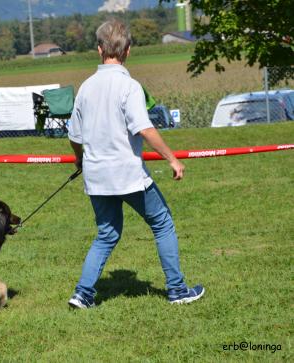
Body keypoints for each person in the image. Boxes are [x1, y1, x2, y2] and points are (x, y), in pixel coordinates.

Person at [67, 19, 204, 308]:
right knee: (163, 224)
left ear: (99, 49)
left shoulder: (85, 88)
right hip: (127, 175)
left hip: (97, 177)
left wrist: (80, 160)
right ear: (128, 50)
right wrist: (172, 159)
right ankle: (178, 290)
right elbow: (145, 128)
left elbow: (74, 136)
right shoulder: (130, 86)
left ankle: (82, 293)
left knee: (107, 234)